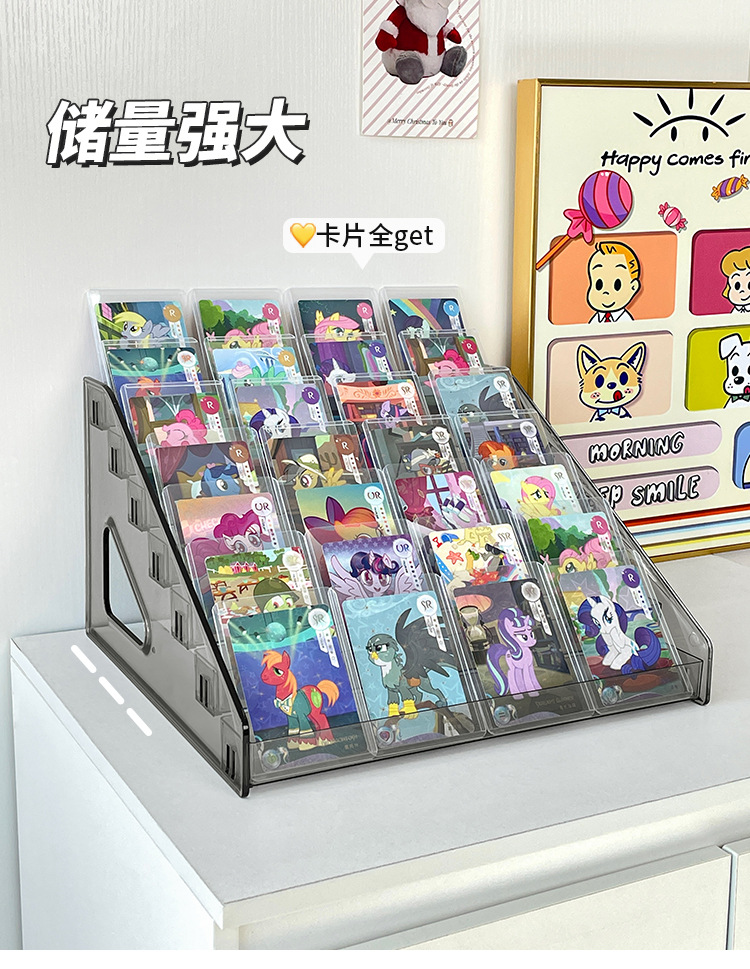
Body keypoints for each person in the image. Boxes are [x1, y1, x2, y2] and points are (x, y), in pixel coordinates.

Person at [586, 241, 641, 323]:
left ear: (633, 287)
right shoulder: (594, 321)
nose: (606, 292)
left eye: (617, 285)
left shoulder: (626, 321)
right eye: (598, 285)